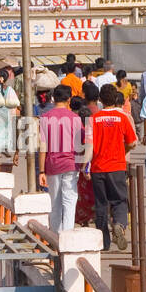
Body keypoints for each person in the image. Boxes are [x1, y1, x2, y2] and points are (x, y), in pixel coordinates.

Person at [89, 84, 136, 251]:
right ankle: (120, 225)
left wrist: (85, 167)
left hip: (98, 167)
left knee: (101, 204)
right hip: (117, 166)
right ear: (116, 99)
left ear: (100, 100)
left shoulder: (93, 119)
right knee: (119, 201)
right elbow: (132, 142)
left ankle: (104, 242)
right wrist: (123, 151)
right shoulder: (121, 117)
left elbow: (88, 145)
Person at [38, 84, 85, 231]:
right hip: (71, 164)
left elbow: (42, 147)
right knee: (70, 203)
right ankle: (68, 238)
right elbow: (82, 144)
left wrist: (41, 171)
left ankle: (56, 239)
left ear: (53, 98)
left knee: (55, 204)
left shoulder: (45, 118)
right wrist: (83, 165)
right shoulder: (76, 119)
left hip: (52, 165)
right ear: (69, 99)